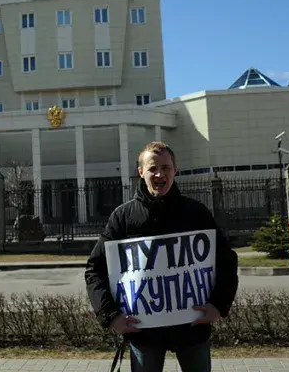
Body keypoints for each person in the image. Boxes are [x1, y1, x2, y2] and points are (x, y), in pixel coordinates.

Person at [84, 141, 239, 372]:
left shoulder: (196, 213)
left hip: (192, 328)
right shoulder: (123, 218)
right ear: (141, 172)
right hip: (144, 332)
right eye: (152, 168)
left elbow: (226, 262)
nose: (159, 174)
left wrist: (218, 305)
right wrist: (111, 316)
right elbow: (94, 270)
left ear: (175, 170)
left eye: (165, 168)